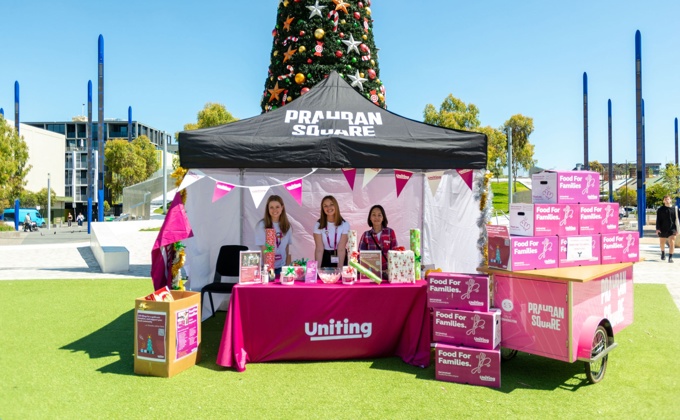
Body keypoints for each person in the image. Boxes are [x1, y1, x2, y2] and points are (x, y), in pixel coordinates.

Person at [254, 195, 292, 276]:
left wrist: (286, 267)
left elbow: (287, 247)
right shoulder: (262, 225)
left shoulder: (287, 226)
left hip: (282, 267)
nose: (274, 210)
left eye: (277, 207)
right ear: (268, 209)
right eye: (271, 207)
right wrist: (268, 269)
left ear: (282, 207)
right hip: (268, 268)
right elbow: (264, 248)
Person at [359, 204, 398, 279]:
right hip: (371, 274)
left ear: (383, 217)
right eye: (373, 215)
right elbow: (360, 256)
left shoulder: (390, 232)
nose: (376, 217)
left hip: (388, 274)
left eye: (379, 215)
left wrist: (391, 269)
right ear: (370, 218)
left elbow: (395, 253)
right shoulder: (366, 235)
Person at [314, 195, 350, 268]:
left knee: (339, 277)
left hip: (341, 257)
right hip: (325, 257)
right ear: (322, 209)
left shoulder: (345, 224)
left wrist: (339, 270)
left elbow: (341, 249)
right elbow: (319, 249)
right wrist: (317, 271)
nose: (329, 208)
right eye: (325, 206)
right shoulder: (318, 225)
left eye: (331, 204)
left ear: (336, 206)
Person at [655, 195, 678, 263]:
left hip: (673, 228)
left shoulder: (675, 209)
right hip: (662, 228)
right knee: (662, 243)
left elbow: (678, 219)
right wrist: (657, 228)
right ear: (663, 201)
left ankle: (670, 257)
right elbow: (658, 220)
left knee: (672, 242)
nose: (667, 201)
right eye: (665, 199)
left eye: (668, 199)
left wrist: (678, 229)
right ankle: (663, 253)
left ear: (670, 200)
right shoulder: (660, 209)